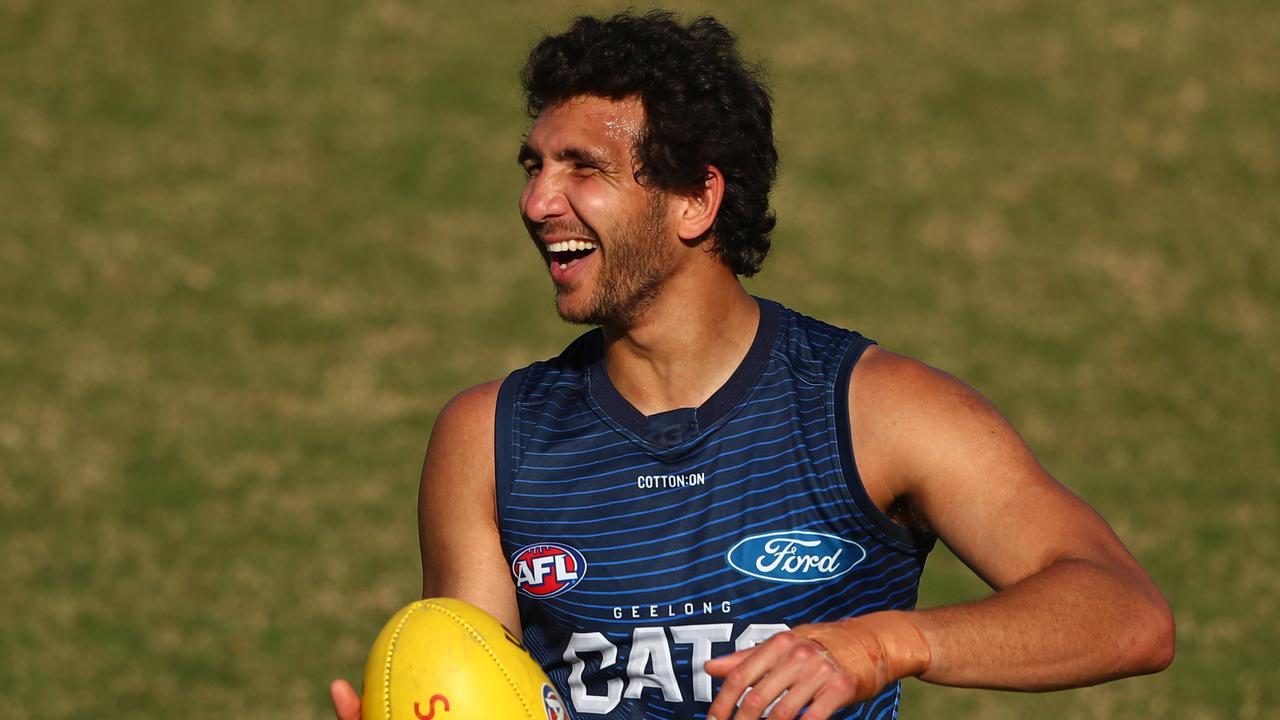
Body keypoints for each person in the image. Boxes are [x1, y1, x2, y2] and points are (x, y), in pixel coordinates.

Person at [331, 11, 1173, 720]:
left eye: (581, 168)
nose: (538, 201)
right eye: (535, 165)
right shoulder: (488, 439)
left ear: (698, 197)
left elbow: (1125, 612)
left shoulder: (873, 412)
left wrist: (885, 644)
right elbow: (481, 682)